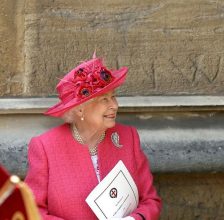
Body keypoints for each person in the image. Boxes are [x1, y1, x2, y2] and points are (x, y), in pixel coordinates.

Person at [24, 54, 162, 220]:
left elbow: (150, 201)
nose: (115, 106)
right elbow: (31, 211)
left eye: (113, 97)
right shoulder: (45, 147)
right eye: (104, 99)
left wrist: (133, 219)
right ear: (80, 109)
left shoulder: (128, 137)